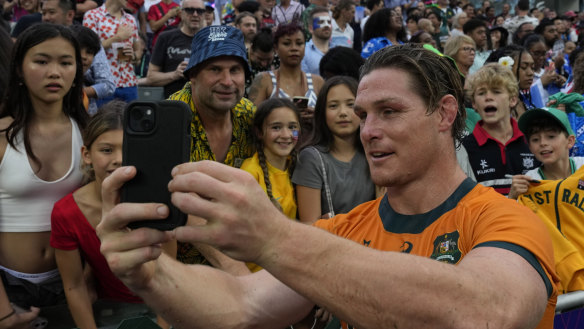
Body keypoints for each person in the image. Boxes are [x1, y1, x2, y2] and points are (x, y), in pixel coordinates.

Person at [97, 44, 558, 329]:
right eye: (363, 115)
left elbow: (484, 314)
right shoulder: (344, 230)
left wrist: (275, 236)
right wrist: (150, 275)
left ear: (445, 113)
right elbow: (239, 306)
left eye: (389, 111)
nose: (368, 130)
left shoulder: (507, 219)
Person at [50, 101, 174, 328]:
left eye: (129, 150)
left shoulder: (159, 204)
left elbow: (169, 276)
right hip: (109, 310)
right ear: (86, 155)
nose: (119, 159)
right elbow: (74, 286)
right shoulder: (66, 212)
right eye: (107, 150)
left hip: (162, 307)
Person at [0, 23, 89, 327]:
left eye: (65, 62)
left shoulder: (90, 135)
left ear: (77, 70)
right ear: (19, 70)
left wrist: (88, 282)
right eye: (41, 61)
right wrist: (4, 311)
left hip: (75, 285)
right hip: (9, 289)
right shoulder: (1, 136)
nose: (55, 72)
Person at [167, 25, 256, 271]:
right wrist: (235, 270)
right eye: (215, 69)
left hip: (243, 252)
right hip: (183, 267)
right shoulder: (171, 119)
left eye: (235, 70)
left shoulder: (249, 115)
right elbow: (173, 201)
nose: (227, 82)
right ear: (192, 74)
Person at [292, 76, 375, 223]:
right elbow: (311, 226)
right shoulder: (311, 158)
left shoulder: (375, 153)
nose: (343, 112)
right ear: (321, 113)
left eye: (350, 105)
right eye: (333, 106)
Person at [458, 63, 539, 195]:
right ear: (474, 104)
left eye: (496, 91)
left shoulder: (532, 141)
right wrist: (511, 200)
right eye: (481, 93)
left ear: (512, 100)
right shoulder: (464, 149)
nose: (488, 97)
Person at [249, 23, 324, 136]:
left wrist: (317, 116)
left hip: (311, 147)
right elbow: (252, 121)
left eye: (299, 43)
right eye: (287, 43)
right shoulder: (264, 80)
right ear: (276, 48)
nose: (294, 48)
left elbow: (328, 120)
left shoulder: (318, 82)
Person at [509, 107, 584, 199]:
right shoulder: (530, 182)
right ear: (530, 147)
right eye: (535, 139)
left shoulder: (582, 166)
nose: (543, 143)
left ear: (570, 141)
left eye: (551, 136)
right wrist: (512, 198)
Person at [83, 0, 143, 103]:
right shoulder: (92, 16)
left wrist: (133, 56)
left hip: (129, 83)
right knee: (103, 119)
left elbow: (138, 51)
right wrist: (117, 37)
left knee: (130, 119)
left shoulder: (130, 19)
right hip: (103, 84)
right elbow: (88, 49)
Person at [146, 0, 207, 99]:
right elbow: (151, 77)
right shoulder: (166, 37)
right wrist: (175, 74)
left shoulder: (211, 40)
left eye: (199, 11)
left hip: (204, 103)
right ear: (181, 13)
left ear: (204, 15)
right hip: (174, 104)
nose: (195, 14)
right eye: (190, 10)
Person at [301, 6, 331, 75]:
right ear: (311, 29)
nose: (326, 25)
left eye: (329, 22)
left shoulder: (337, 50)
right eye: (321, 22)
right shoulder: (303, 52)